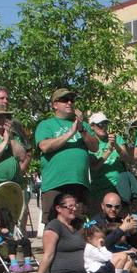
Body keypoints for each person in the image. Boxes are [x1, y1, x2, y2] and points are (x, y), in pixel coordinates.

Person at [34, 88, 99, 223]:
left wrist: (81, 129)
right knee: (53, 225)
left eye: (72, 100)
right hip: (55, 184)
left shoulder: (83, 125)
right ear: (55, 104)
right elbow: (45, 146)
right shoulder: (46, 125)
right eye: (64, 100)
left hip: (79, 184)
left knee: (79, 225)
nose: (69, 103)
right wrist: (70, 133)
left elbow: (94, 147)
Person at [88, 112, 133, 215]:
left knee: (123, 220)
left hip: (120, 188)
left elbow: (127, 159)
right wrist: (108, 151)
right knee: (101, 223)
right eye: (100, 124)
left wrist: (116, 146)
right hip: (100, 190)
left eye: (105, 123)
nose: (103, 126)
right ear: (92, 126)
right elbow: (94, 167)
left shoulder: (116, 138)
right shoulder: (90, 143)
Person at [0, 206, 35, 273]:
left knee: (26, 241)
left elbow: (11, 238)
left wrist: (7, 233)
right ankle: (13, 264)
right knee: (11, 243)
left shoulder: (2, 227)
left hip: (9, 244)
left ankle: (27, 264)